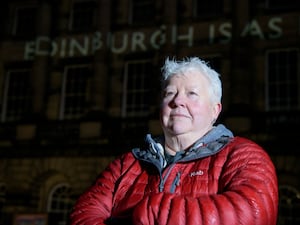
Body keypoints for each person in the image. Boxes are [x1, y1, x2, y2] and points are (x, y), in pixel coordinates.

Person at [70, 57, 278, 225]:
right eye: (170, 93)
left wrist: (153, 212)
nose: (178, 101)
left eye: (192, 94)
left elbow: (253, 213)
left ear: (215, 110)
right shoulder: (127, 163)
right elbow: (83, 213)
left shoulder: (243, 155)